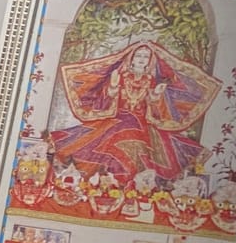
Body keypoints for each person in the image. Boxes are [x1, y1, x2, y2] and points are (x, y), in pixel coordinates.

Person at [50, 39, 218, 186]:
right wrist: (113, 86)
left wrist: (156, 94)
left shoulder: (151, 80)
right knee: (105, 150)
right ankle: (109, 187)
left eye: (145, 56)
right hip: (117, 120)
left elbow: (155, 106)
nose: (141, 59)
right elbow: (106, 98)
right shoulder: (121, 75)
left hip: (141, 124)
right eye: (139, 55)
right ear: (131, 58)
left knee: (140, 153)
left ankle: (130, 189)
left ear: (150, 60)